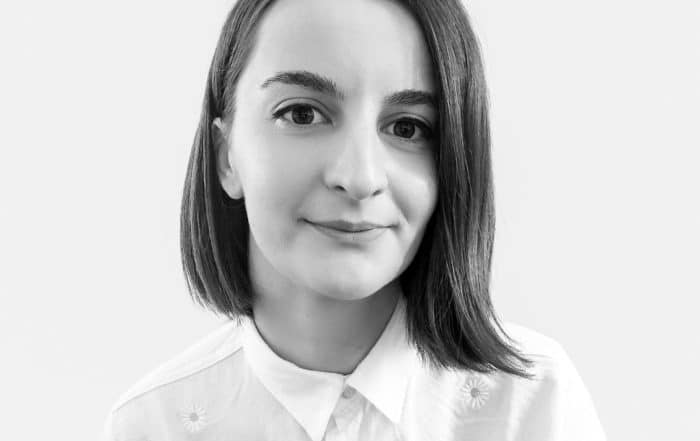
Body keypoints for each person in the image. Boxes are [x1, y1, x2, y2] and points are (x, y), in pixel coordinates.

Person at [102, 0, 606, 439]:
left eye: (407, 127)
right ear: (226, 157)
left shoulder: (532, 405)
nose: (360, 177)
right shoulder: (152, 426)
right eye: (301, 114)